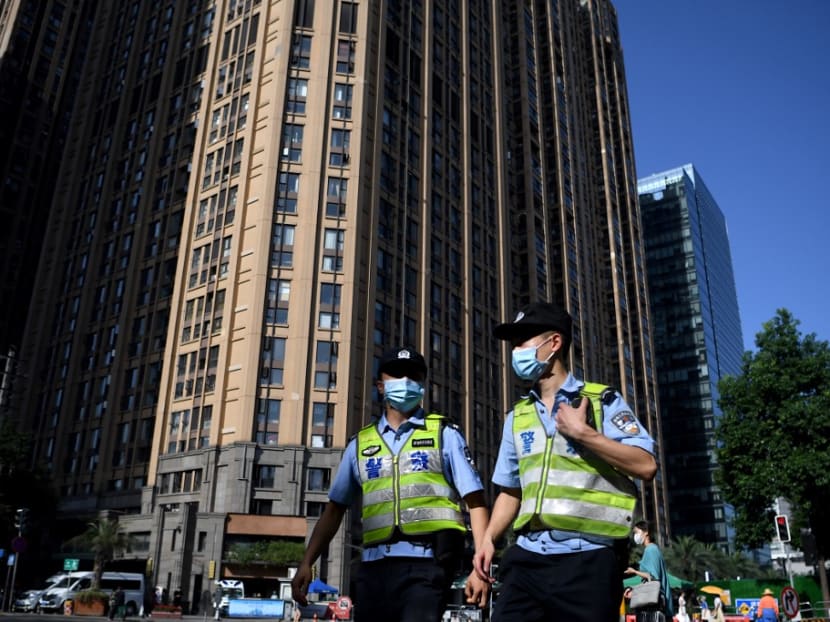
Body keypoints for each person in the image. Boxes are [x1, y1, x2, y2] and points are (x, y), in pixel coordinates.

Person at [473, 302, 657, 622]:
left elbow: (646, 465)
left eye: (523, 341)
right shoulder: (517, 417)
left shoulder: (602, 401)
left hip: (588, 562)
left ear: (554, 343)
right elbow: (511, 491)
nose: (515, 350)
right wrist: (488, 540)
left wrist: (584, 433)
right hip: (526, 559)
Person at [291, 346, 491, 622]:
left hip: (426, 566)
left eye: (413, 376)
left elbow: (476, 503)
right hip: (373, 570)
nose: (405, 382)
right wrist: (306, 562)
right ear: (381, 386)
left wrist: (480, 568)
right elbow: (334, 510)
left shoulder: (444, 434)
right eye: (397, 375)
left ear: (422, 385)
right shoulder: (360, 444)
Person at [625, 520, 673, 621]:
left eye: (637, 532)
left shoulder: (651, 550)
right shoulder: (652, 549)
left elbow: (653, 577)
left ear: (646, 532)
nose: (635, 536)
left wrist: (634, 571)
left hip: (653, 608)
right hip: (655, 607)